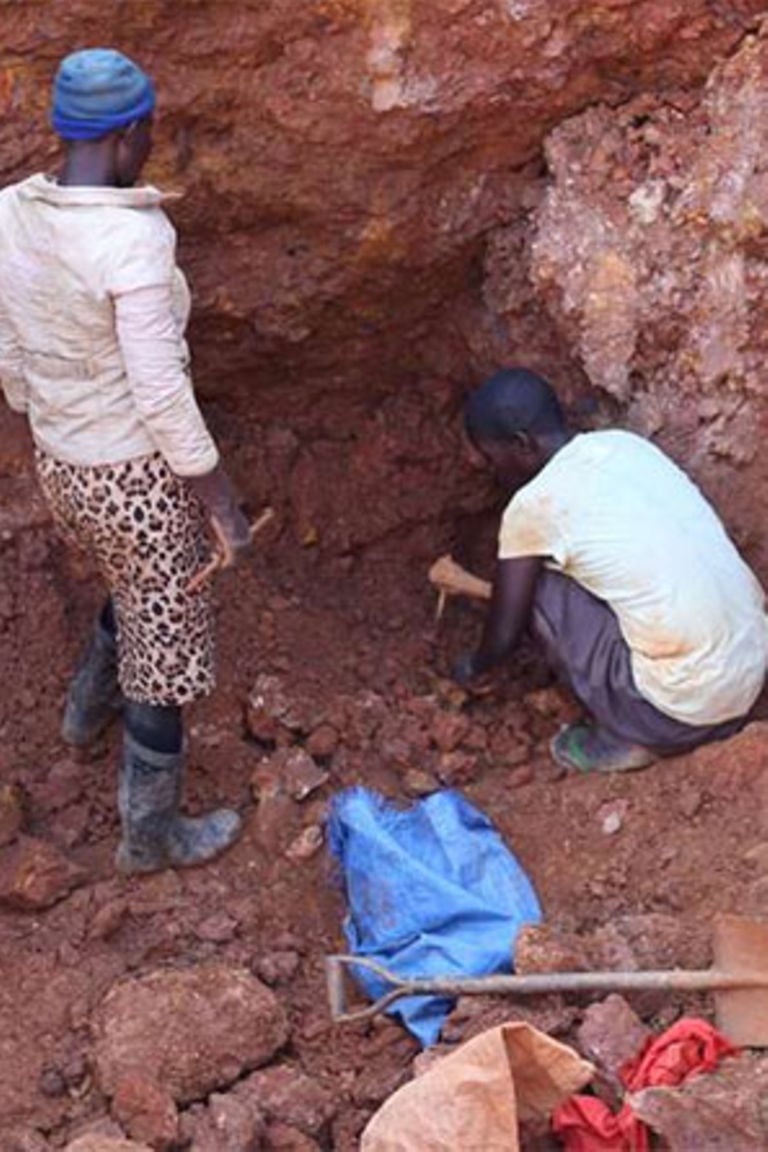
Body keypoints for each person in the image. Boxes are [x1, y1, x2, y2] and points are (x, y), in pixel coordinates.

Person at [0, 48, 251, 871]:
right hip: (131, 474)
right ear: (129, 134)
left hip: (62, 462)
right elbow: (161, 389)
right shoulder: (132, 240)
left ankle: (82, 713)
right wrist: (216, 497)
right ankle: (151, 836)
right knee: (167, 642)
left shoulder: (10, 214)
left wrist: (49, 414)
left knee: (133, 583)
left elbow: (8, 348)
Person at [453, 368, 768, 772]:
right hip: (752, 668)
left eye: (492, 458)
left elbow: (504, 632)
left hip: (682, 712)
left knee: (539, 588)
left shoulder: (534, 507)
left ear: (521, 444)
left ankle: (625, 733)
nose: (489, 470)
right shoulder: (624, 446)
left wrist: (473, 667)